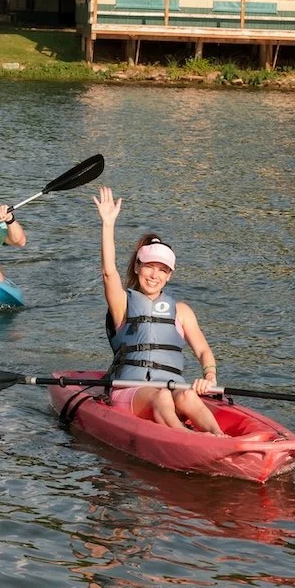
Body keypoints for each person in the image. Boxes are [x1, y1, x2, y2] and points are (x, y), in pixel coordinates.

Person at [93, 185, 225, 436]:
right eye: (149, 267)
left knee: (185, 394)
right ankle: (187, 437)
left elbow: (203, 350)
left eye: (162, 270)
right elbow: (108, 272)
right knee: (162, 396)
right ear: (137, 268)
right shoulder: (123, 303)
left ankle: (219, 436)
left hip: (170, 387)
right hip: (129, 391)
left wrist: (209, 376)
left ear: (169, 276)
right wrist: (108, 224)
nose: (154, 275)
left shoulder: (182, 311)